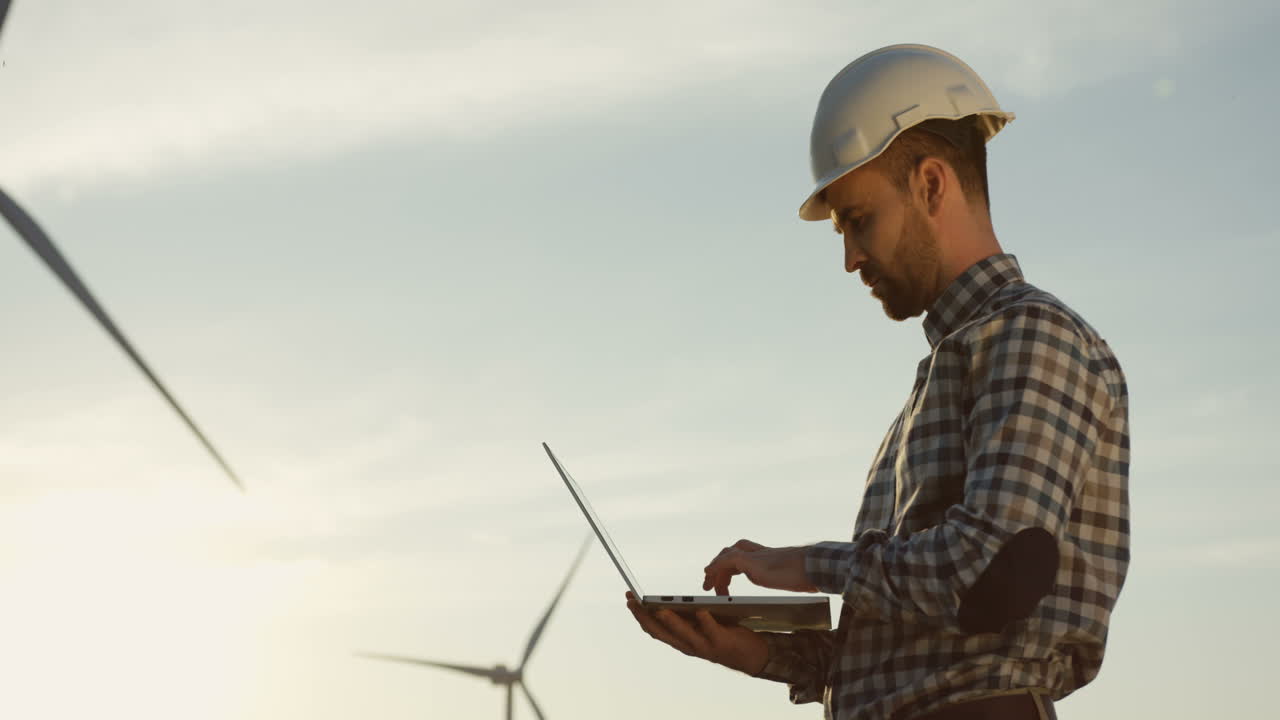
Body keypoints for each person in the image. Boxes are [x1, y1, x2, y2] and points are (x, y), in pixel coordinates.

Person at [625, 44, 1130, 720]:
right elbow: (918, 655)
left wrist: (806, 564)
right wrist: (760, 654)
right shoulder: (943, 375)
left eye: (858, 220)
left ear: (929, 185)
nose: (849, 257)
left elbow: (988, 576)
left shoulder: (1030, 336)